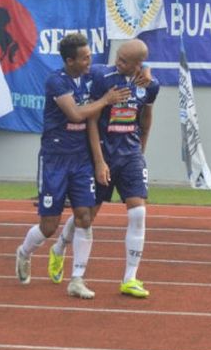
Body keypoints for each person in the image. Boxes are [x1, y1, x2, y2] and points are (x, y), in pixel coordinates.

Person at [15, 33, 131, 299]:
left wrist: (143, 73)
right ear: (70, 61)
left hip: (81, 160)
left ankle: (77, 279)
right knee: (49, 226)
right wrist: (104, 101)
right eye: (85, 57)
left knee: (85, 217)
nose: (90, 60)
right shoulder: (56, 81)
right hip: (55, 159)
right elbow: (76, 114)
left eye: (90, 55)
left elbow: (122, 70)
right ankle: (24, 252)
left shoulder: (92, 76)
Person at [49, 39, 159, 299]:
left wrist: (140, 151)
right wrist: (99, 161)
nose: (117, 62)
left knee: (138, 213)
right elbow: (92, 120)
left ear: (137, 65)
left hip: (130, 155)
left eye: (123, 61)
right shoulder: (101, 75)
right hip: (103, 154)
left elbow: (146, 117)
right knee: (86, 216)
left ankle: (130, 278)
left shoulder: (149, 85)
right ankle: (60, 246)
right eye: (118, 57)